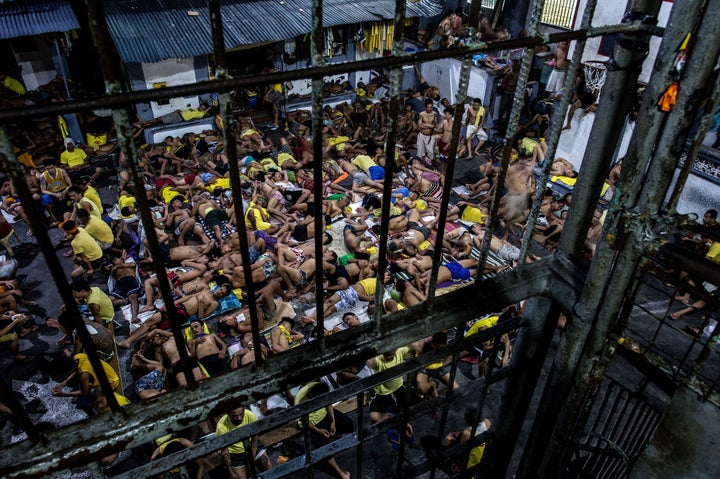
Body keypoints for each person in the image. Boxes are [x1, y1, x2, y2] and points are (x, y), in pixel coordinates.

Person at [294, 381, 353, 479]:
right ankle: (341, 473)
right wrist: (318, 430)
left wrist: (332, 421)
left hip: (323, 415)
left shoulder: (320, 389)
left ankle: (332, 438)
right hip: (311, 423)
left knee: (347, 422)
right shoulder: (299, 399)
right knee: (323, 448)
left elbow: (328, 404)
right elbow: (304, 421)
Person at [215, 404, 273, 479]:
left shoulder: (250, 415)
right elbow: (225, 452)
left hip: (250, 445)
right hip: (235, 453)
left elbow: (255, 438)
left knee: (267, 465)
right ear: (229, 414)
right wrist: (231, 472)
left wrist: (252, 459)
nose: (239, 418)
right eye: (235, 416)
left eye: (241, 414)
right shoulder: (221, 427)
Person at [367, 346, 414, 423]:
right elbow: (370, 363)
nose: (389, 357)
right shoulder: (378, 359)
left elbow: (414, 347)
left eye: (391, 355)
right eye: (386, 355)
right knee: (374, 417)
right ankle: (396, 422)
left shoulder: (399, 351)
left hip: (399, 387)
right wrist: (374, 351)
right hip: (382, 392)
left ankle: (397, 420)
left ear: (395, 350)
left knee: (417, 400)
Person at [416, 99, 438, 165]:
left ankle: (433, 165)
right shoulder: (422, 114)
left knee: (431, 152)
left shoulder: (435, 114)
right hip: (422, 135)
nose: (429, 109)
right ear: (426, 107)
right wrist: (430, 126)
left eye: (431, 107)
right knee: (421, 152)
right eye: (428, 107)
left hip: (430, 136)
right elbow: (419, 126)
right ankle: (423, 165)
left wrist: (425, 124)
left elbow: (435, 125)